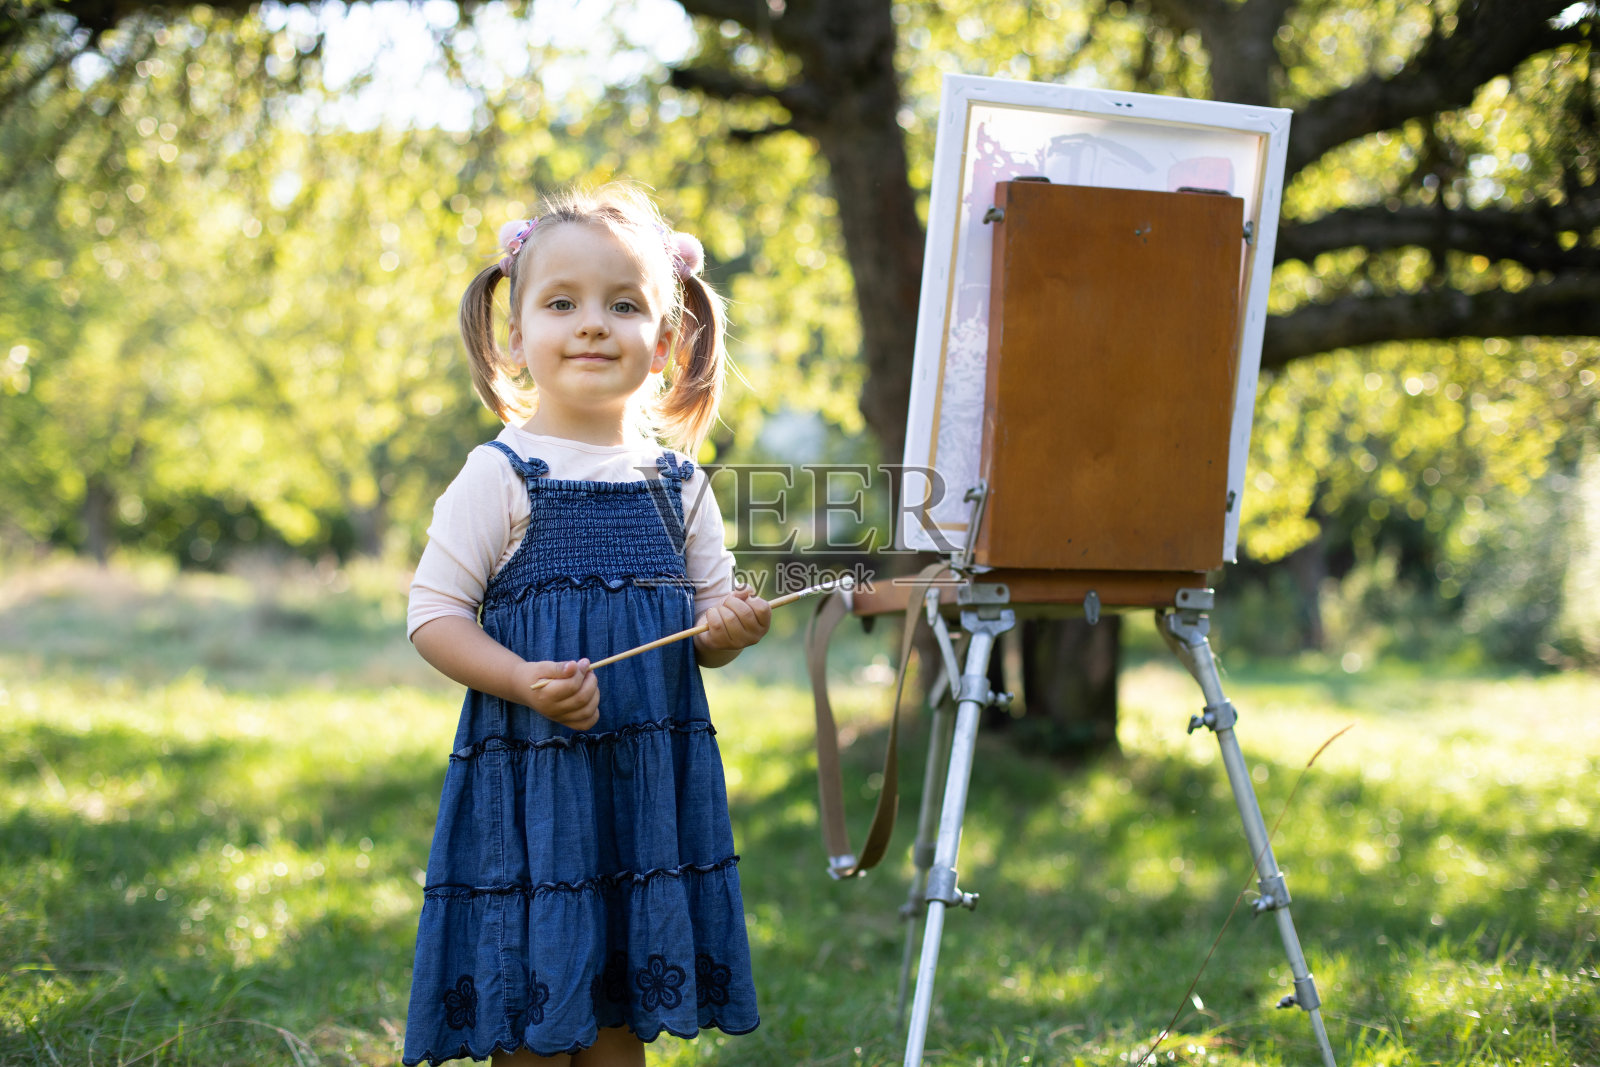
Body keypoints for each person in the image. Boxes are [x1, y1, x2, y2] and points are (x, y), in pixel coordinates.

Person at [401, 184, 771, 1066]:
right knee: (530, 1006)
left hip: (642, 788)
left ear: (666, 344)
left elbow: (707, 630)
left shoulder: (681, 487)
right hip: (533, 786)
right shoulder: (500, 473)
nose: (593, 324)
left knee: (620, 1010)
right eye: (562, 303)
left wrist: (731, 626)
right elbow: (433, 615)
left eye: (624, 304)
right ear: (518, 336)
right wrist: (519, 677)